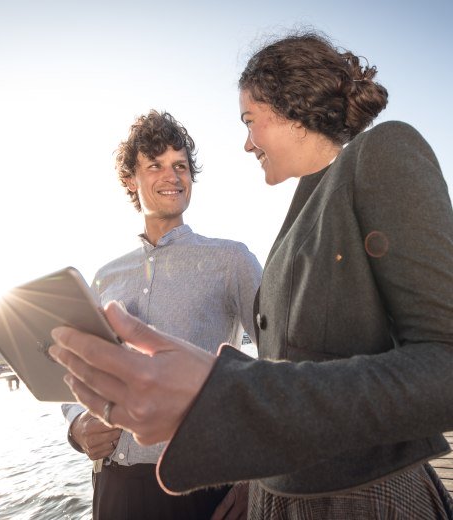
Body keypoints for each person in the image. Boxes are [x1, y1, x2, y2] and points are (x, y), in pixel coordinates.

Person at [50, 31, 453, 519]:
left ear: (290, 105)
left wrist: (227, 398)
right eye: (155, 165)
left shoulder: (384, 151)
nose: (245, 143)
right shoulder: (300, 215)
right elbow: (286, 368)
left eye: (249, 121)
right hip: (273, 495)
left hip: (361, 496)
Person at [61, 109, 262, 520]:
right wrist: (77, 426)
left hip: (204, 487)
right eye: (155, 165)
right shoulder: (104, 277)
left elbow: (282, 365)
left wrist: (255, 477)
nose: (172, 176)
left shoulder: (231, 260)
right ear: (131, 180)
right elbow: (76, 371)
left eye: (181, 166)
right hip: (114, 488)